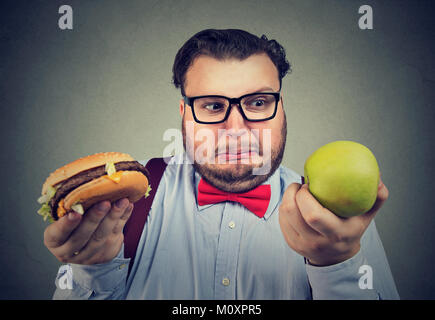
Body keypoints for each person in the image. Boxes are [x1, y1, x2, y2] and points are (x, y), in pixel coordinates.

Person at [46, 29, 399, 299]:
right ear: (184, 114)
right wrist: (93, 272)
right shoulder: (123, 199)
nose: (235, 129)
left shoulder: (335, 219)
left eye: (258, 102)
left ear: (281, 109)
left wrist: (336, 266)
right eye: (213, 106)